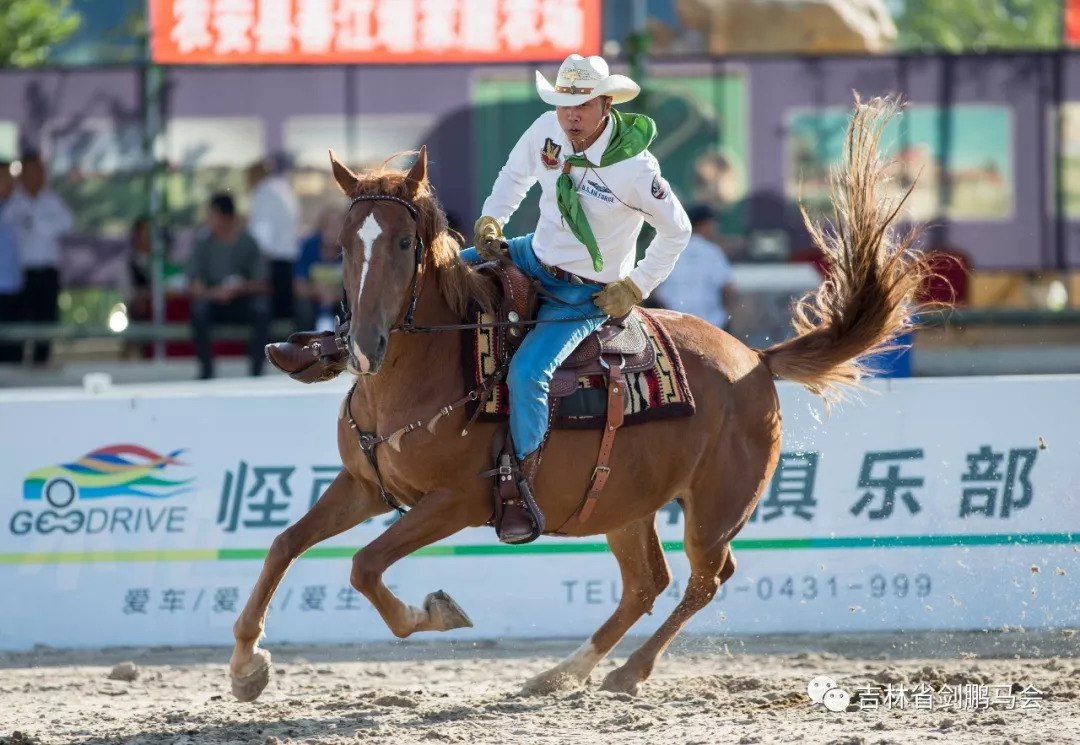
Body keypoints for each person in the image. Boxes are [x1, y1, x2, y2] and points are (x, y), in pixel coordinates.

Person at [463, 53, 692, 543]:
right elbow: (513, 175)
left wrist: (634, 286)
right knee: (440, 269)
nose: (570, 114)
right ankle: (343, 346)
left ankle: (520, 483)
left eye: (582, 103)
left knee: (529, 373)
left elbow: (678, 229)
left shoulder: (635, 167)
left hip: (583, 293)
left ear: (606, 103)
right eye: (564, 101)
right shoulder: (546, 128)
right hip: (531, 255)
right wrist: (491, 219)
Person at [186, 193, 270, 380]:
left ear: (227, 217)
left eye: (213, 215)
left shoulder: (248, 242)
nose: (208, 220)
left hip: (241, 300)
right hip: (214, 301)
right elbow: (192, 285)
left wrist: (242, 287)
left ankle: (257, 370)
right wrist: (214, 293)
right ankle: (206, 370)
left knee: (261, 309)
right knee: (198, 311)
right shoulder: (203, 243)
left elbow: (264, 284)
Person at [1, 152, 74, 365]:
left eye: (39, 171)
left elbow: (68, 222)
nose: (35, 176)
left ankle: (41, 366)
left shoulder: (52, 199)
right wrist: (44, 225)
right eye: (30, 172)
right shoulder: (13, 203)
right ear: (22, 175)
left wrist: (35, 222)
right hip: (21, 275)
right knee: (20, 326)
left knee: (46, 323)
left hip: (47, 272)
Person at [652, 203, 736, 331]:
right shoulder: (712, 252)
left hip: (674, 327)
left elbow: (653, 290)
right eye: (712, 224)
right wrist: (725, 315)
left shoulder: (671, 249)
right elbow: (729, 289)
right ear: (703, 225)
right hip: (711, 327)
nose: (715, 228)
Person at [246, 157, 300, 322]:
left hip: (271, 260)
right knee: (285, 315)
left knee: (271, 316)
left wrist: (253, 262)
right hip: (288, 258)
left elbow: (262, 232)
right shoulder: (284, 189)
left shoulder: (264, 192)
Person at [293, 207, 345, 331]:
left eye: (337, 226)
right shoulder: (309, 246)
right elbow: (298, 286)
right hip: (313, 300)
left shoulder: (349, 250)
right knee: (303, 308)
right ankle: (304, 346)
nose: (332, 231)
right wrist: (317, 292)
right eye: (328, 226)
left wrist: (336, 295)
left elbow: (357, 289)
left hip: (339, 300)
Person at [0, 161, 21, 363]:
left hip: (14, 288)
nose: (7, 182)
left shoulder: (18, 206)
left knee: (13, 351)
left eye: (9, 178)